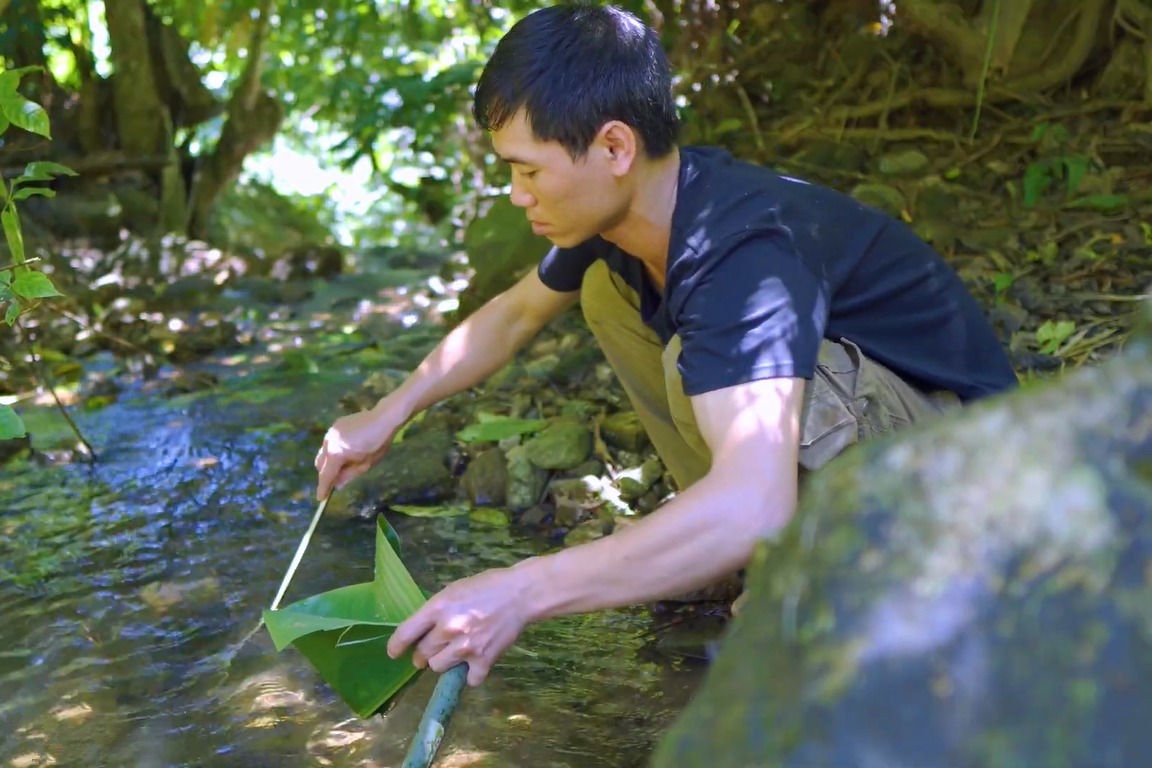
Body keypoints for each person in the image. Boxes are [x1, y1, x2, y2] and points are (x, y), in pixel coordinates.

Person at [313, 4, 1018, 688]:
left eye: (528, 171)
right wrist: (387, 414)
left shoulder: (740, 251)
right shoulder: (625, 218)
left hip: (971, 485)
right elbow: (513, 315)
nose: (516, 194)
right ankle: (727, 556)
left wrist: (519, 591)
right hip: (880, 444)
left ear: (614, 147)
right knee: (605, 295)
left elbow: (755, 503)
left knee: (697, 366)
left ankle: (820, 574)